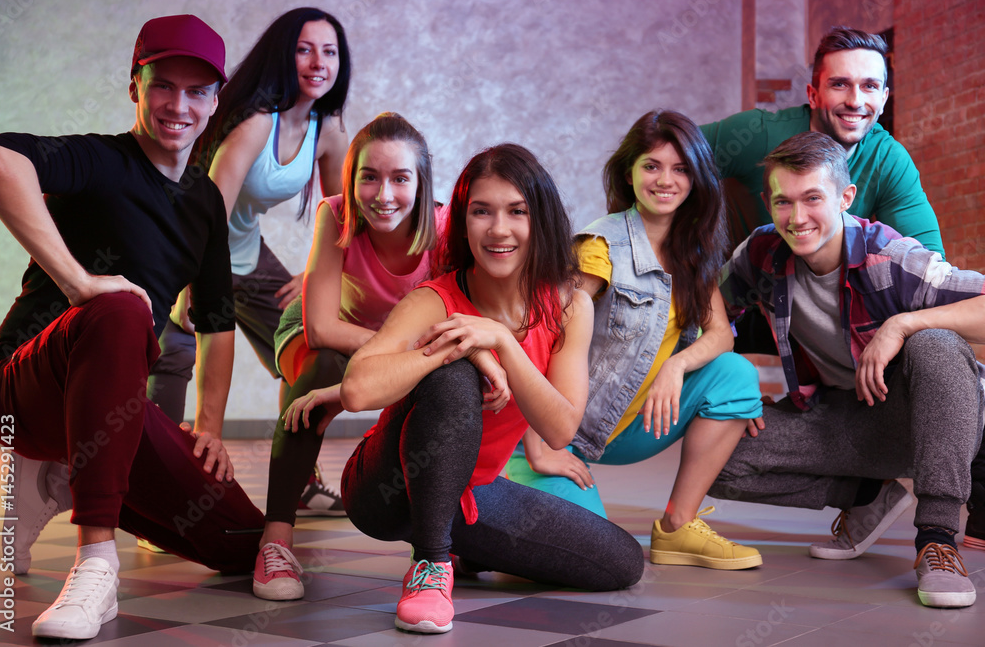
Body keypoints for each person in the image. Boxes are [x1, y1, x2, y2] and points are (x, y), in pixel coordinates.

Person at [0, 15, 265, 640]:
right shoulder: (99, 160)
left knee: (244, 541)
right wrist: (80, 283)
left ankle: (54, 476)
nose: (179, 105)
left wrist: (210, 427)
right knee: (121, 309)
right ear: (133, 87)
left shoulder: (203, 201)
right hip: (18, 388)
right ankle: (96, 561)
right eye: (162, 84)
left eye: (197, 91)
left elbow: (217, 321)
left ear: (216, 101)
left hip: (108, 411)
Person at [335, 144, 644, 634]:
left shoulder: (567, 306)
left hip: (469, 493)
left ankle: (461, 546)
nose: (499, 229)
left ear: (538, 220)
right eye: (482, 211)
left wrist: (500, 340)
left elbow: (561, 427)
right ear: (462, 222)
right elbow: (357, 391)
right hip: (384, 493)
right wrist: (461, 344)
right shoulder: (435, 298)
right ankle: (431, 564)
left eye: (516, 212)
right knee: (452, 372)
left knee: (622, 563)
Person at [710, 131, 984, 609]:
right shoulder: (762, 254)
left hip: (926, 417)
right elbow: (707, 315)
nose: (797, 218)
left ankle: (938, 538)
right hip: (844, 414)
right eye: (783, 202)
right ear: (768, 203)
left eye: (813, 198)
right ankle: (867, 493)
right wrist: (728, 386)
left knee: (936, 345)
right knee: (711, 452)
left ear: (845, 197)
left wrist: (902, 323)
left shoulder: (891, 258)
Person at [506, 111, 763, 570]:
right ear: (630, 172)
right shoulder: (600, 247)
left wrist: (676, 365)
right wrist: (539, 440)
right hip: (561, 430)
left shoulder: (693, 251)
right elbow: (540, 337)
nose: (666, 180)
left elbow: (722, 333)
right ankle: (476, 525)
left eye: (680, 168)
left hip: (626, 426)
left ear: (697, 179)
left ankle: (677, 526)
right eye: (652, 166)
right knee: (592, 555)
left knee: (736, 377)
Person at [147, 7, 352, 514]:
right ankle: (157, 488)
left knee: (305, 351)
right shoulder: (259, 120)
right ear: (285, 54)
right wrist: (195, 285)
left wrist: (313, 275)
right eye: (305, 49)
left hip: (249, 255)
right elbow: (207, 211)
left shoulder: (327, 131)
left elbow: (347, 218)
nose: (317, 62)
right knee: (174, 356)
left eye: (329, 51)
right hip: (191, 246)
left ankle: (298, 478)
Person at [252, 112, 447, 600]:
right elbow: (320, 327)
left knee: (448, 382)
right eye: (369, 177)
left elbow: (454, 324)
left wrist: (402, 357)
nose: (383, 195)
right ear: (351, 178)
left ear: (421, 183)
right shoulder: (336, 214)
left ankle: (435, 548)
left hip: (395, 343)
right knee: (322, 369)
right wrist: (398, 353)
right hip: (321, 333)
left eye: (400, 178)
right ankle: (275, 543)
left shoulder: (445, 228)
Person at [700, 26, 943, 256]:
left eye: (869, 86)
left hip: (824, 296)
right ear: (813, 95)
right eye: (840, 84)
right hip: (732, 291)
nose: (855, 101)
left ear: (883, 99)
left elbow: (930, 265)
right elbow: (668, 150)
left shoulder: (887, 159)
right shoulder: (756, 133)